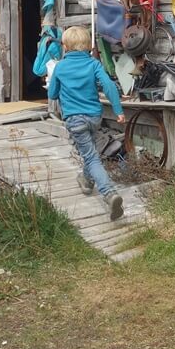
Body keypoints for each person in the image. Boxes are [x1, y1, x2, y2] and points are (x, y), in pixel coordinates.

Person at [47, 26, 126, 219]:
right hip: (94, 118)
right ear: (87, 46)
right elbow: (108, 85)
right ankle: (87, 181)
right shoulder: (94, 64)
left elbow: (52, 94)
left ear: (65, 46)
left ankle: (109, 193)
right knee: (90, 152)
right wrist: (118, 110)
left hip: (75, 119)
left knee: (91, 157)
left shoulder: (60, 67)